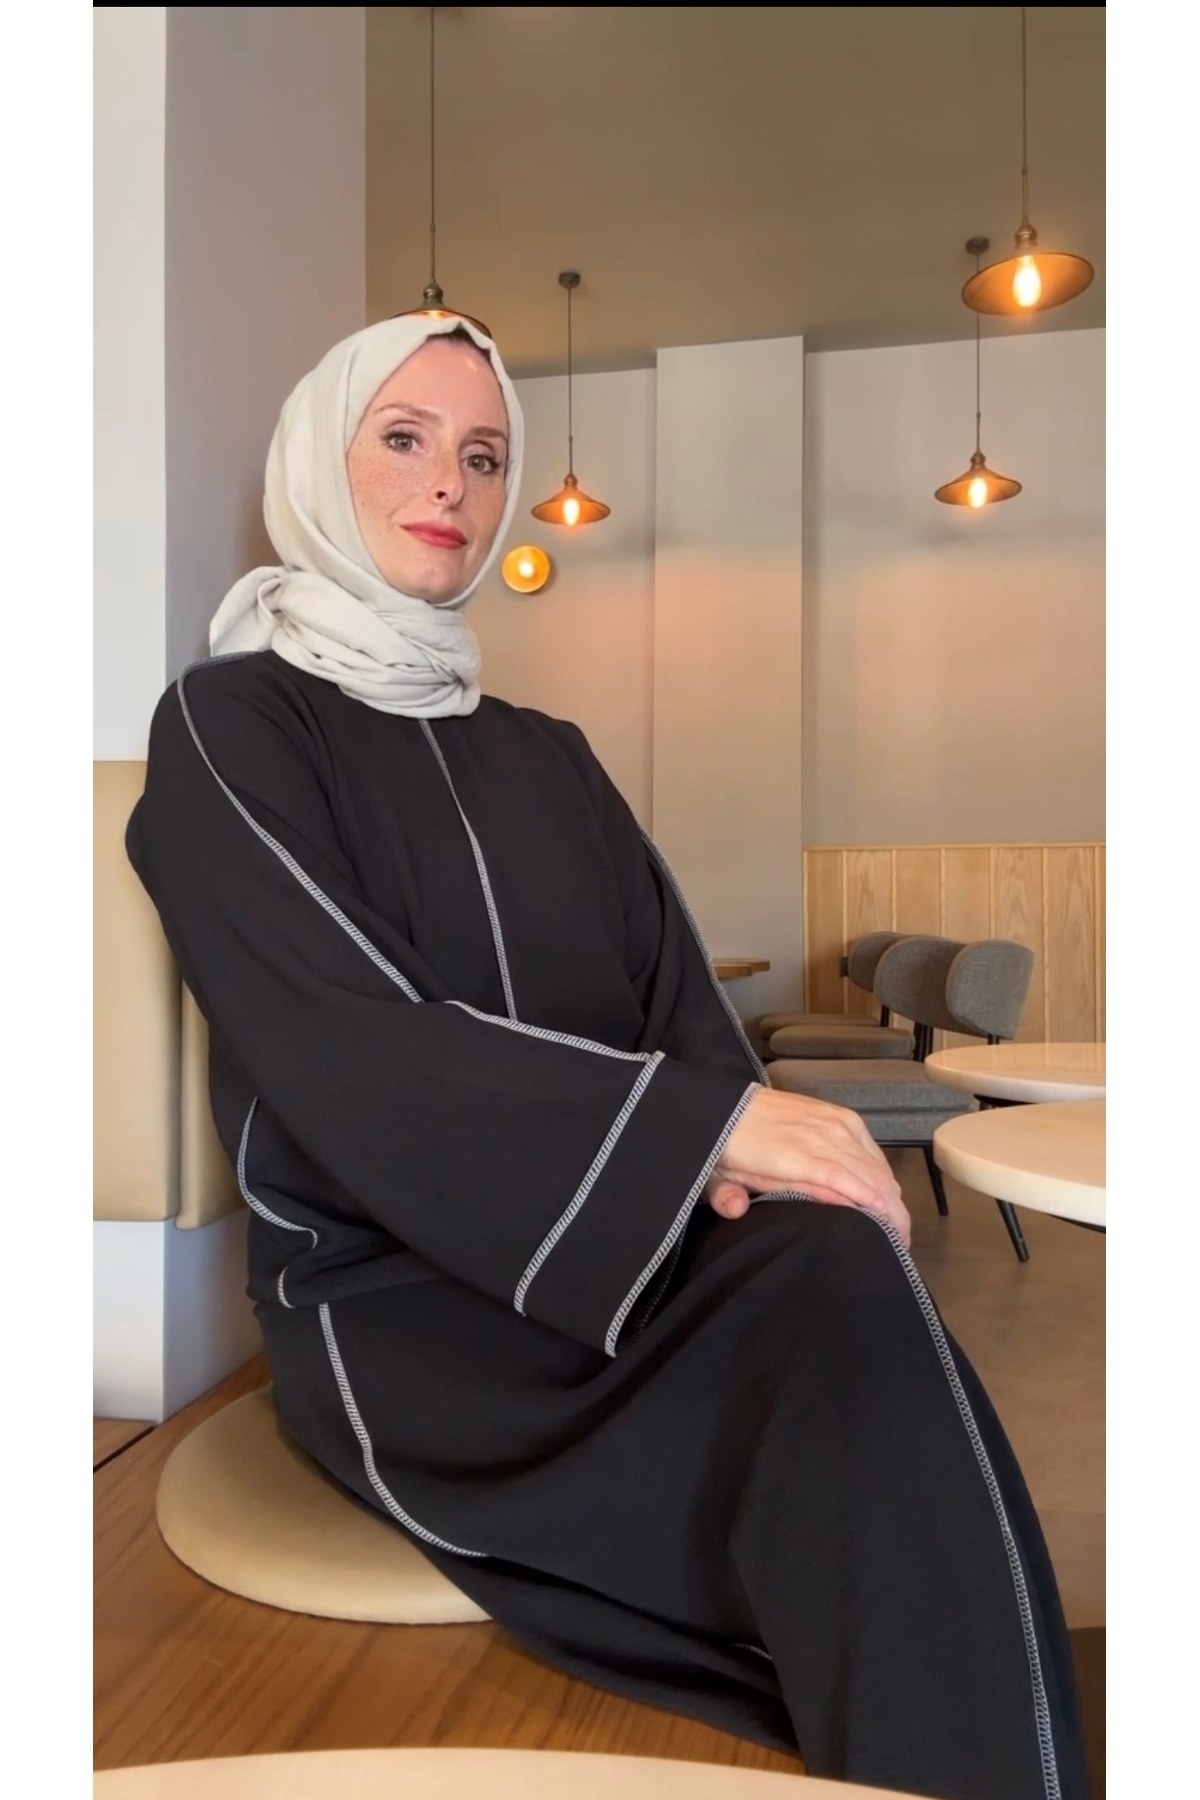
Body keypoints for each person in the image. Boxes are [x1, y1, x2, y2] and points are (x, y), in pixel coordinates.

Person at [127, 314, 1085, 1800]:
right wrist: (703, 1134)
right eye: (404, 438)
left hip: (622, 1243)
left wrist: (747, 1153)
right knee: (832, 1435)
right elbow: (339, 1034)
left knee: (837, 1272)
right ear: (317, 460)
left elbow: (675, 1003)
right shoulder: (231, 720)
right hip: (395, 1306)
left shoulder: (547, 751)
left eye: (483, 455)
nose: (448, 482)